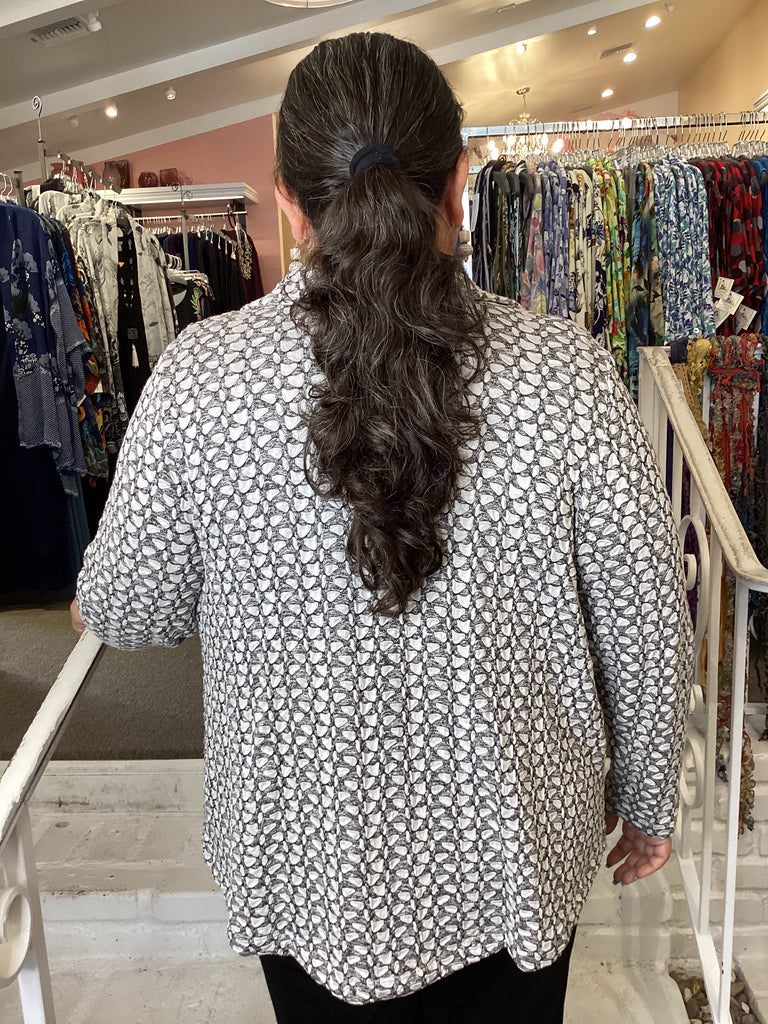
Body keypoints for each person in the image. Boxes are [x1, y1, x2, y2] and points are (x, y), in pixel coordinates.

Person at [72, 31, 693, 1024]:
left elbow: (128, 608)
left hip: (306, 864)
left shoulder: (201, 379)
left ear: (287, 201)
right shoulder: (565, 371)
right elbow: (646, 612)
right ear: (460, 187)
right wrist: (650, 799)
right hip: (514, 853)